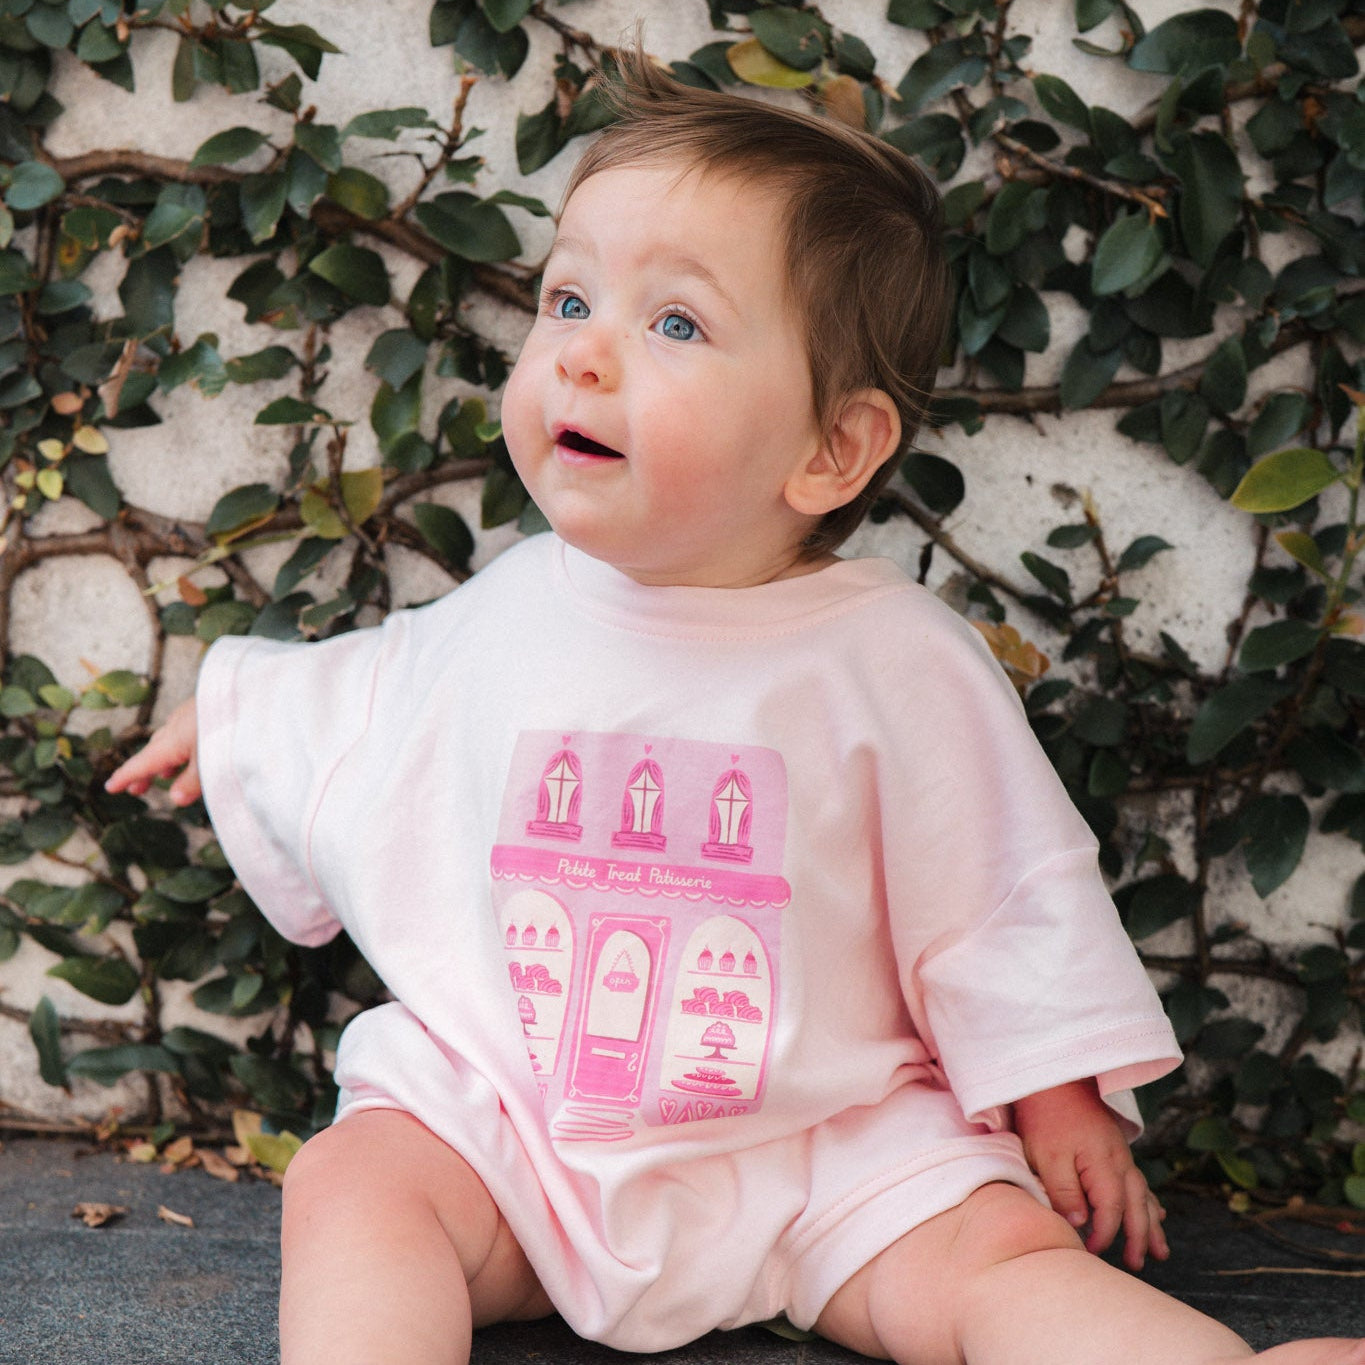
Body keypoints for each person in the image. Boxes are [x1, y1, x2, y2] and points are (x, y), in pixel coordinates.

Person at [107, 52, 1364, 1365]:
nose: (582, 357)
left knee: (993, 1256)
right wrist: (240, 710)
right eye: (568, 298)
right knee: (356, 1179)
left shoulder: (887, 654)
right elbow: (373, 692)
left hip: (826, 1142)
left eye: (675, 325)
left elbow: (994, 884)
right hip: (524, 1133)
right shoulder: (516, 601)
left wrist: (1054, 1096)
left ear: (831, 449)